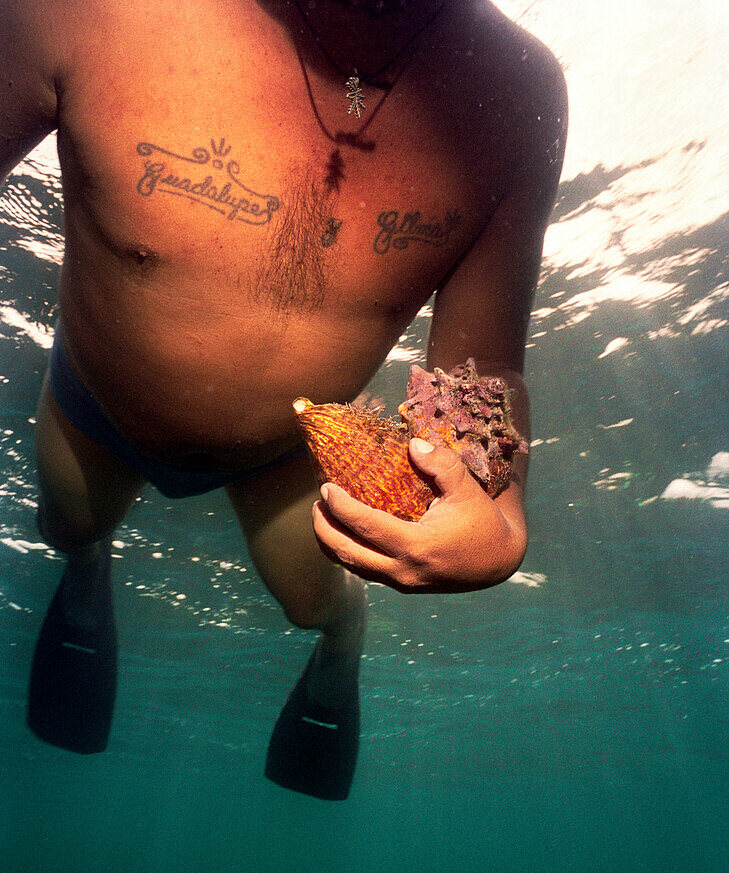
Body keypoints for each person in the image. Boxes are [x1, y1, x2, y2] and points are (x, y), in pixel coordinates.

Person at [0, 0, 566, 799]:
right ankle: (88, 567)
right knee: (66, 528)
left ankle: (340, 640)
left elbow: (478, 364)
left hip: (288, 450)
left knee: (312, 609)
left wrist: (496, 509)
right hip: (97, 403)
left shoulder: (521, 89)